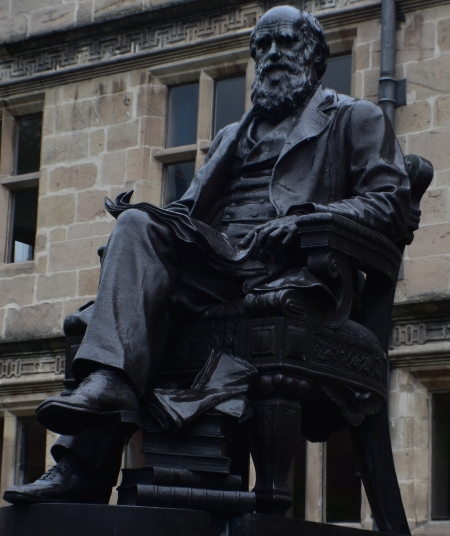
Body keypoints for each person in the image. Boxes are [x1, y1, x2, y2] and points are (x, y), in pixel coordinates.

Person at [3, 5, 409, 504]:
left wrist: (304, 221)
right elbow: (188, 212)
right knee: (129, 245)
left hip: (290, 268)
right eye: (263, 47)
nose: (273, 55)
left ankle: (110, 416)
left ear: (315, 56)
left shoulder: (353, 117)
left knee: (129, 278)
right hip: (221, 263)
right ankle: (87, 459)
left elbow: (389, 202)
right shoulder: (229, 136)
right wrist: (143, 227)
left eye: (286, 43)